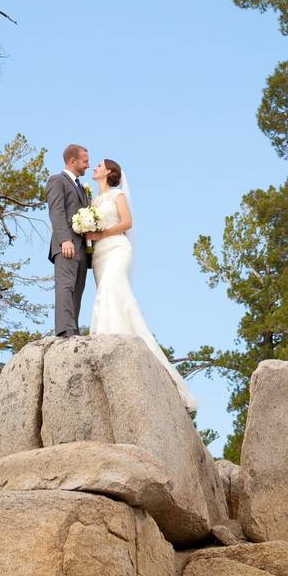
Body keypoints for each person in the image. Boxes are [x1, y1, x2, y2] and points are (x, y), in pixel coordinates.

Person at [86, 158, 199, 413]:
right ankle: (109, 342)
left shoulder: (117, 195)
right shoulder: (92, 202)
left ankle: (110, 342)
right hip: (100, 255)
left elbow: (127, 223)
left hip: (117, 250)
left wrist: (101, 234)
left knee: (110, 293)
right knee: (110, 297)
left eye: (99, 165)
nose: (94, 167)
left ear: (110, 172)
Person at [46, 144, 91, 337]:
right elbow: (56, 211)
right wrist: (64, 239)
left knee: (78, 289)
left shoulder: (83, 188)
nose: (88, 165)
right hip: (66, 245)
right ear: (73, 161)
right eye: (85, 161)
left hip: (82, 247)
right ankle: (65, 330)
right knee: (65, 286)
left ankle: (73, 329)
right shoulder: (57, 180)